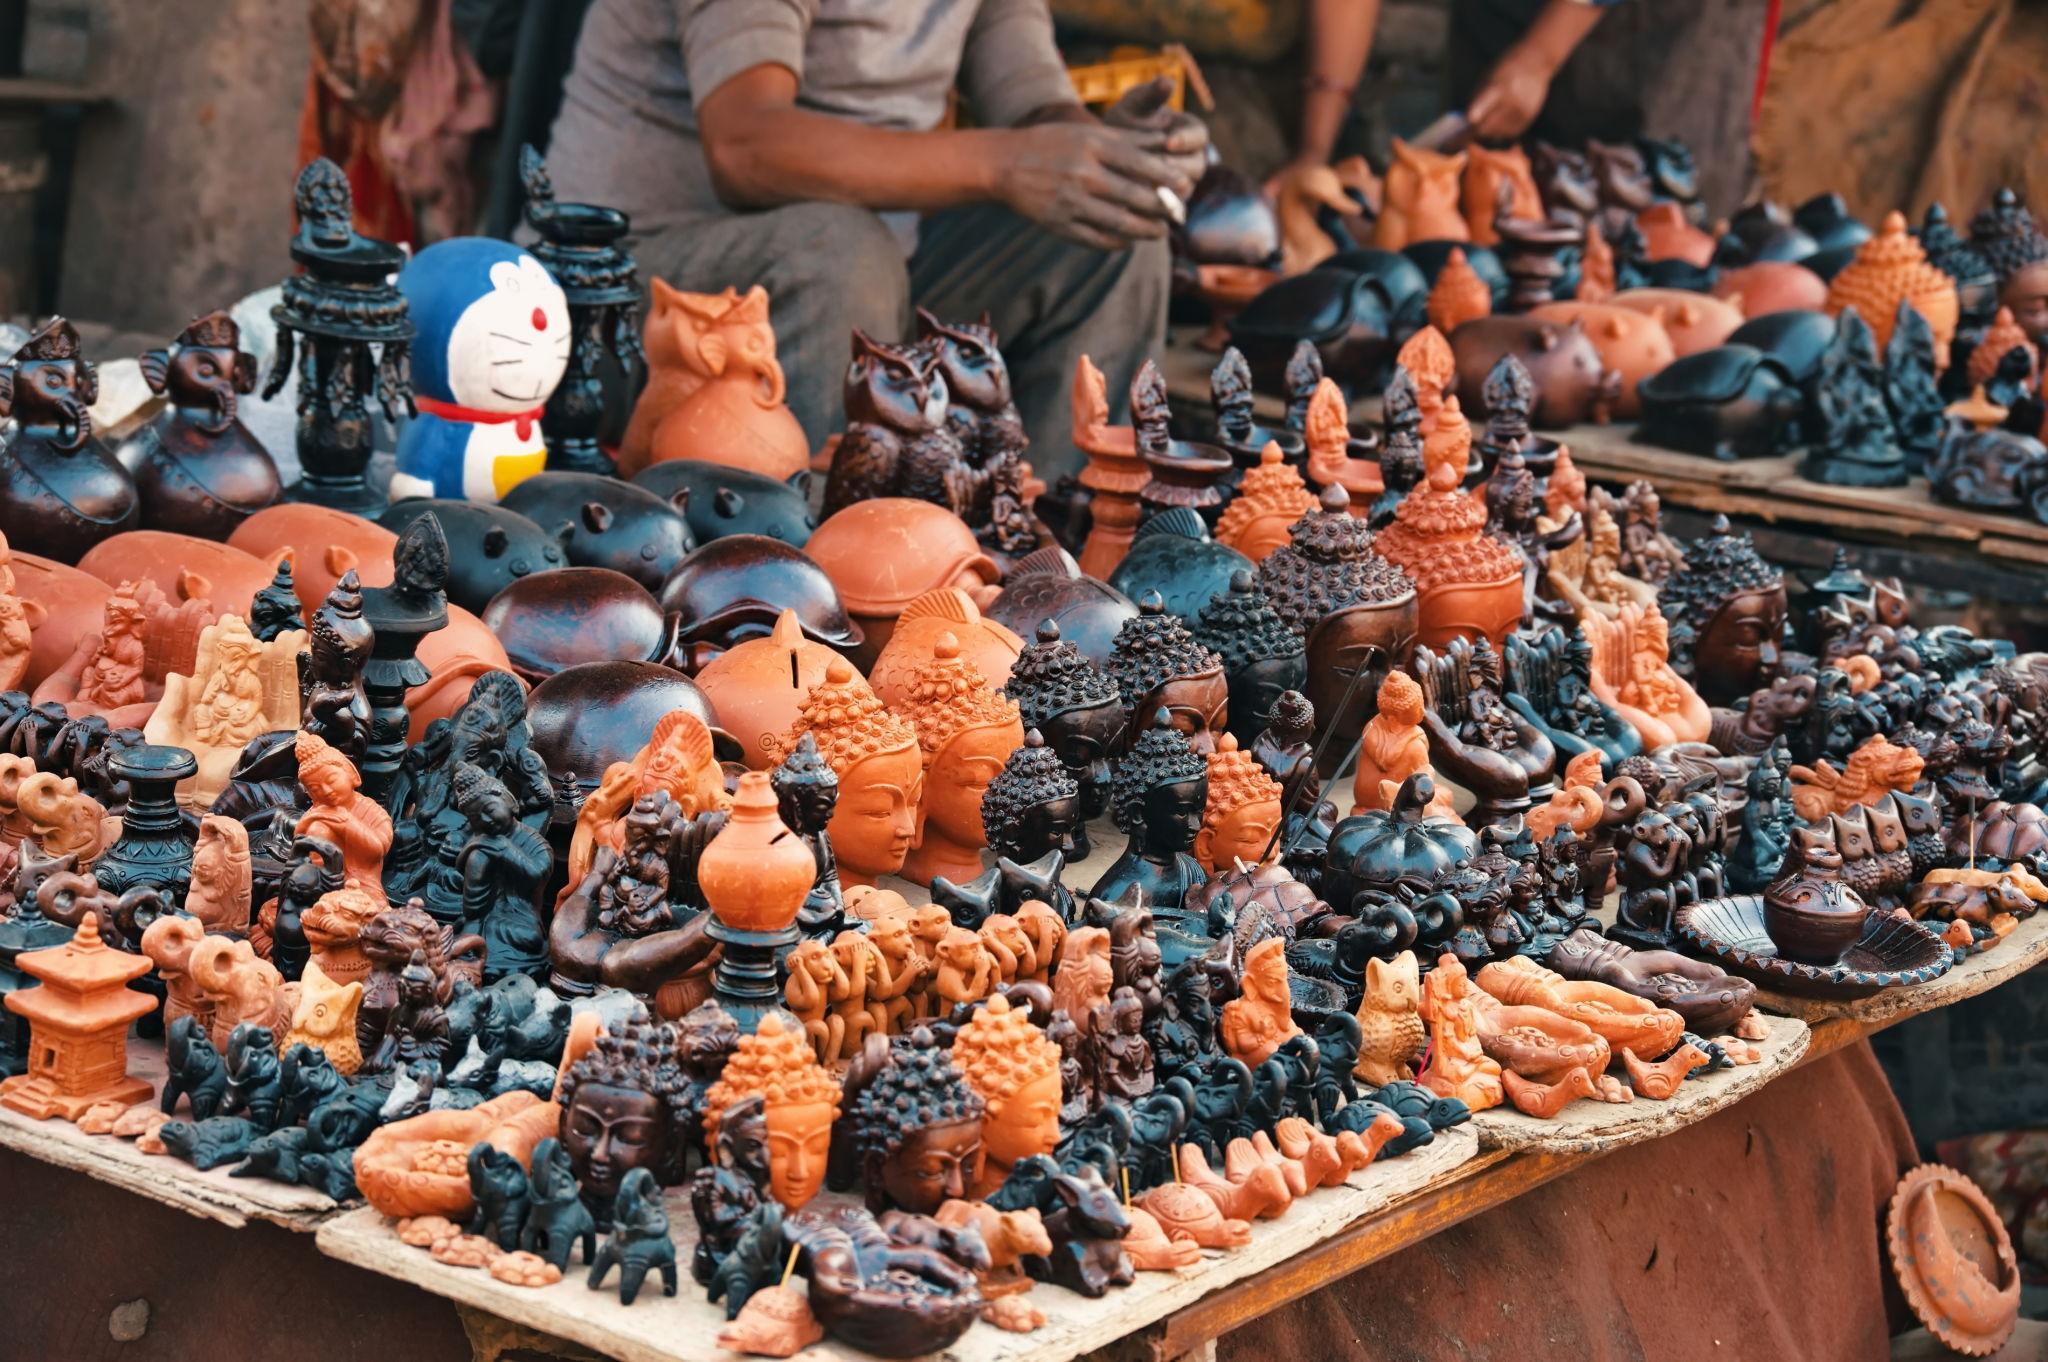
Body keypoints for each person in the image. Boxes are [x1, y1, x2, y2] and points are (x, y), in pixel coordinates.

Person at [546, 0, 1209, 480]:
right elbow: (745, 147)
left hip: (862, 277)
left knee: (1107, 231)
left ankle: (1058, 573)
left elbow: (1030, 95)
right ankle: (802, 585)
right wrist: (1009, 163)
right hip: (620, 302)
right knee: (838, 251)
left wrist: (1103, 156)